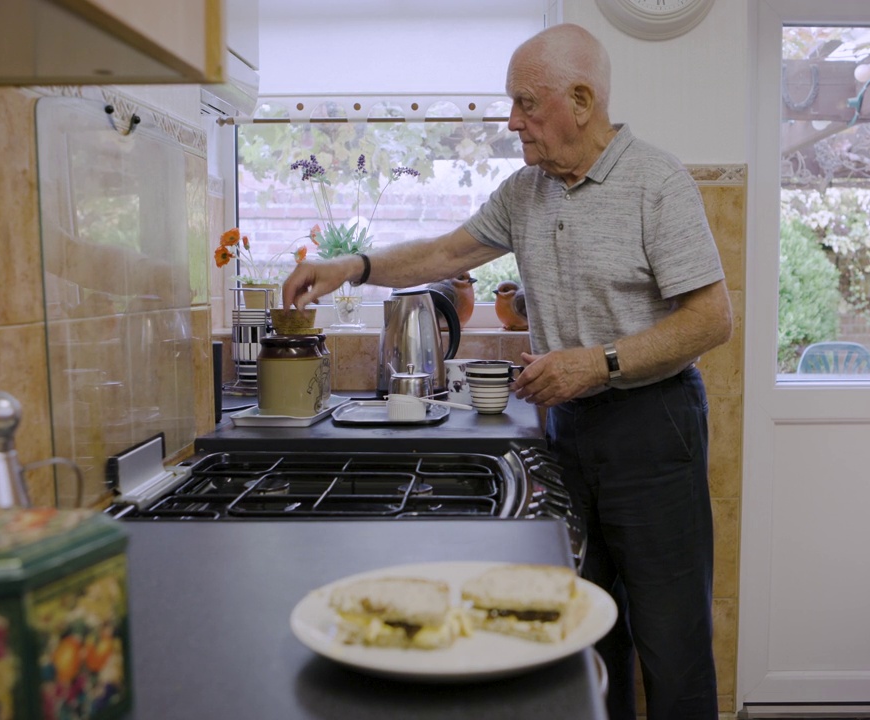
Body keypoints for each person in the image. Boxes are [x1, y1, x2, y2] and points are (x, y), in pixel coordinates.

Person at [281, 23, 732, 719]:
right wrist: (352, 267)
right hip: (571, 428)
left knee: (671, 641)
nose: (511, 120)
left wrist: (600, 362)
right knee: (585, 623)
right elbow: (443, 254)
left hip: (654, 424)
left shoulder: (657, 180)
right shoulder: (526, 191)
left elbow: (711, 320)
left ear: (581, 101)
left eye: (526, 102)